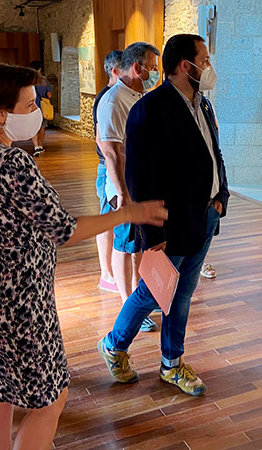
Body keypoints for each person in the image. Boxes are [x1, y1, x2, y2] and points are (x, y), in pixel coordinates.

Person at [0, 63, 166, 450]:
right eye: (29, 103)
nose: (37, 111)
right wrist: (127, 213)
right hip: (21, 303)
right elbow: (64, 229)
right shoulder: (9, 163)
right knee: (51, 399)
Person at [97, 33, 228, 396]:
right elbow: (139, 174)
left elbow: (214, 153)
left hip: (205, 214)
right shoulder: (149, 109)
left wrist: (221, 197)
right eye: (204, 60)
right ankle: (114, 344)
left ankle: (171, 362)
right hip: (170, 220)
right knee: (154, 293)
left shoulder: (202, 104)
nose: (208, 66)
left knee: (182, 294)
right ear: (185, 66)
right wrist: (152, 234)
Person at [96, 42, 161, 332]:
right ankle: (127, 303)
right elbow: (110, 150)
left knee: (140, 245)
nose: (156, 74)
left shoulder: (140, 94)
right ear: (138, 68)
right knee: (124, 244)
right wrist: (122, 192)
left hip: (145, 183)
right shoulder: (114, 100)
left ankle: (138, 295)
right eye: (153, 68)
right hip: (126, 185)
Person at [93, 50, 123, 293]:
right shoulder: (106, 98)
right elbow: (104, 143)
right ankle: (107, 274)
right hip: (107, 168)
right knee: (107, 220)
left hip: (115, 165)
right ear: (115, 71)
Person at [30, 60, 52, 157]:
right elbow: (49, 95)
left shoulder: (29, 80)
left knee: (33, 127)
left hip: (31, 107)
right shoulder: (44, 80)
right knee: (42, 127)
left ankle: (36, 147)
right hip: (42, 107)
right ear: (40, 68)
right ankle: (41, 145)